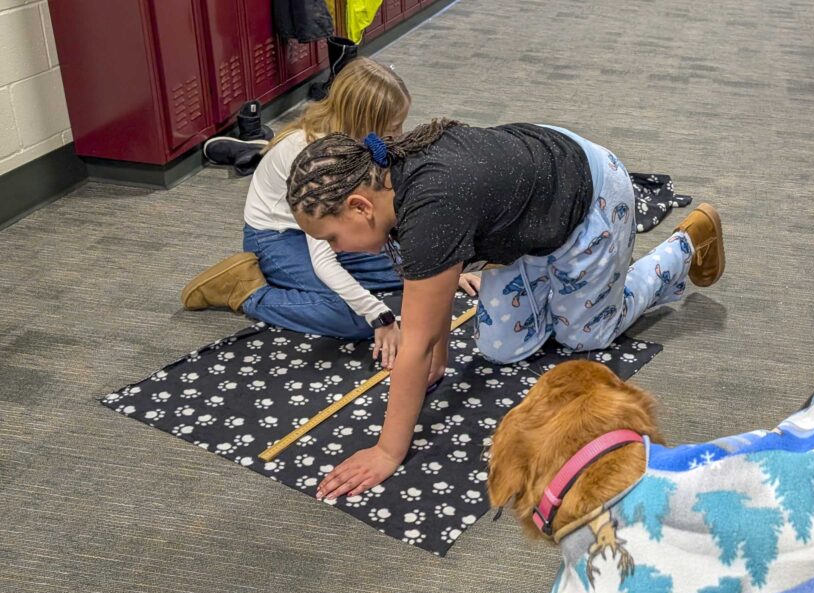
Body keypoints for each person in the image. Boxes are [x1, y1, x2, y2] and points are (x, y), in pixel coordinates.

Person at [285, 119, 726, 500]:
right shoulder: (392, 185)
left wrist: (387, 451)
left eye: (331, 239)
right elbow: (427, 293)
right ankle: (567, 279)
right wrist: (437, 360)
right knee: (500, 348)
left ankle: (684, 246)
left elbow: (414, 341)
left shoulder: (432, 208)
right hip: (526, 216)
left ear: (361, 206)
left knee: (584, 336)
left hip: (590, 195)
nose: (334, 250)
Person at [179, 58, 480, 368]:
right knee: (357, 319)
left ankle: (297, 284)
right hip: (278, 239)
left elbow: (383, 217)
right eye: (392, 128)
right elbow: (324, 257)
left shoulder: (352, 142)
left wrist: (439, 267)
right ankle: (246, 289)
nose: (398, 136)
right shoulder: (319, 158)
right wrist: (381, 318)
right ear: (363, 120)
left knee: (410, 273)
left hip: (327, 234)